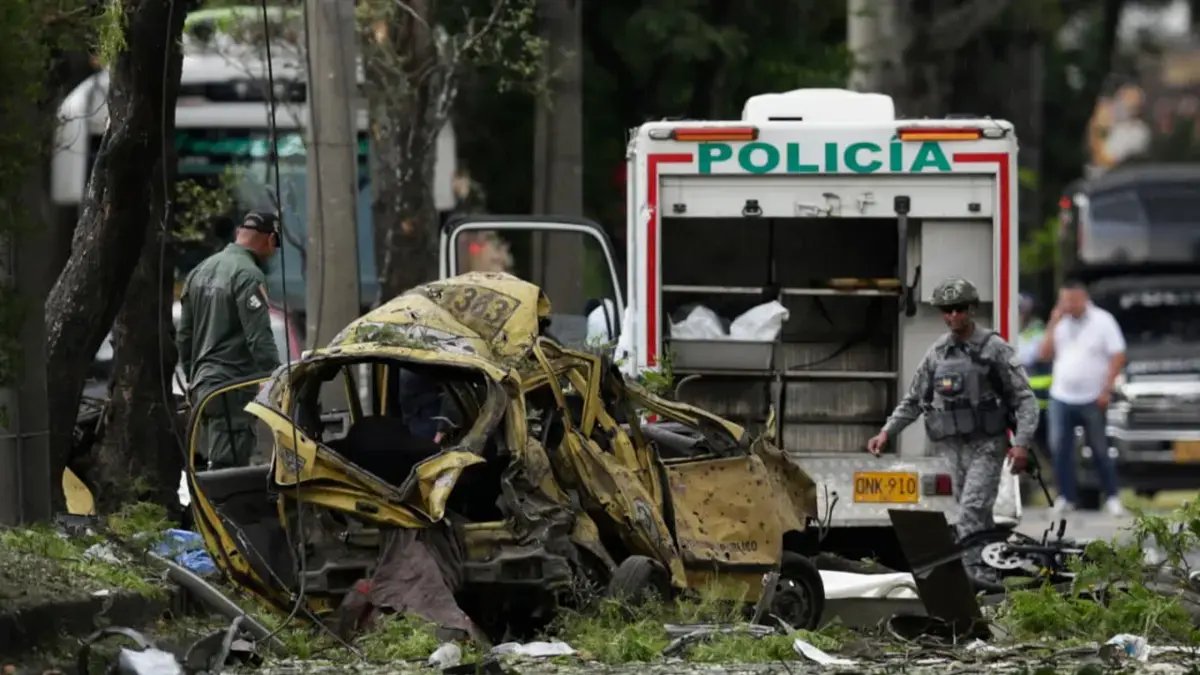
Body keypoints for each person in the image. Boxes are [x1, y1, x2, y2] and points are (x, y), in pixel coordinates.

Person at [866, 277, 1039, 584]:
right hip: (952, 446)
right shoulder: (938, 354)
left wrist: (1022, 443)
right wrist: (886, 432)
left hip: (987, 443)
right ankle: (990, 573)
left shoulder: (993, 349)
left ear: (971, 309)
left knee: (971, 509)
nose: (953, 316)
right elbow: (915, 400)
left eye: (959, 309)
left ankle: (973, 576)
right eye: (947, 310)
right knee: (976, 513)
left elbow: (1025, 399)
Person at [177, 210, 283, 470]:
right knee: (229, 472)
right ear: (269, 239)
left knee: (203, 469)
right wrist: (278, 378)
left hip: (203, 389)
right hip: (231, 388)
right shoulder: (248, 275)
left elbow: (184, 336)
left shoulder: (199, 271)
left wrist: (193, 375)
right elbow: (259, 338)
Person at [1038, 279, 1127, 516]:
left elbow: (1118, 356)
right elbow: (1044, 354)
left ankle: (1112, 497)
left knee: (1099, 449)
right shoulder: (1059, 323)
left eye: (1072, 301)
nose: (1068, 305)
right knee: (1059, 448)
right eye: (1064, 301)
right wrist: (1053, 322)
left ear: (1083, 299)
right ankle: (1066, 497)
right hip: (1061, 396)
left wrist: (1106, 390)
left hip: (1092, 397)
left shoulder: (1103, 320)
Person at [1016, 292, 1053, 454]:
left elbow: (1030, 355)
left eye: (1021, 311)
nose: (1019, 315)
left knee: (1043, 445)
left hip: (1041, 401)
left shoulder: (1038, 331)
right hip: (1020, 402)